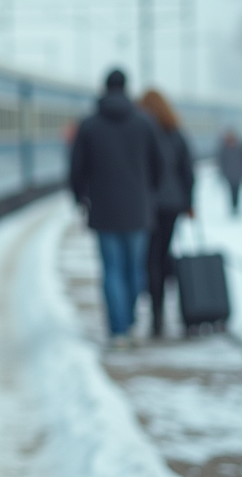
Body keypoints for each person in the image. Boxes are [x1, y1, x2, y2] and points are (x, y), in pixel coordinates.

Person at [70, 69, 162, 348]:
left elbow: (77, 169)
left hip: (104, 210)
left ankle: (117, 331)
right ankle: (132, 323)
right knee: (135, 269)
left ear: (103, 88)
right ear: (127, 88)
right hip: (138, 210)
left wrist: (80, 198)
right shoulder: (144, 123)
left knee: (112, 270)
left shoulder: (89, 125)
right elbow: (159, 165)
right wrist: (148, 194)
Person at [138, 89, 194, 338]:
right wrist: (189, 203)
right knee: (162, 254)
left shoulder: (139, 133)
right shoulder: (176, 133)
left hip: (146, 205)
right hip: (172, 204)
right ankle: (161, 309)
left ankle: (156, 313)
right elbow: (187, 172)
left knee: (150, 258)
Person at [218, 130, 242, 216]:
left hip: (237, 174)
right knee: (231, 191)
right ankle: (233, 206)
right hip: (229, 174)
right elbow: (221, 162)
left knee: (237, 191)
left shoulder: (239, 147)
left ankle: (236, 206)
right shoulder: (224, 148)